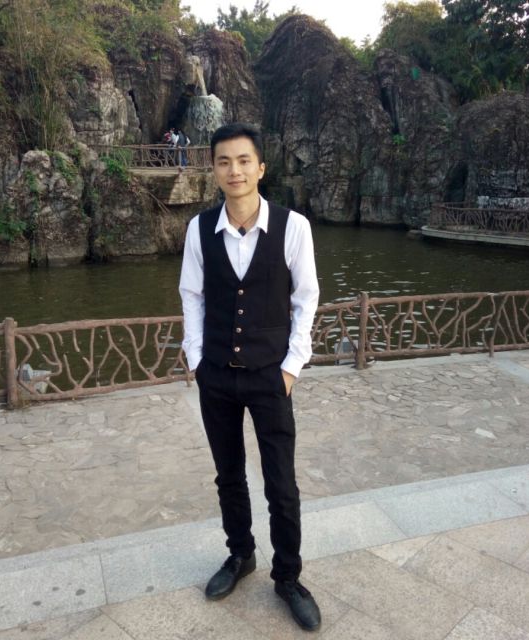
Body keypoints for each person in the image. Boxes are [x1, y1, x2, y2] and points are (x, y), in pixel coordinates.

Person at [179, 123, 321, 632]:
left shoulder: (293, 227)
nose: (234, 170)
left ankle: (289, 577)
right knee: (229, 475)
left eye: (243, 161)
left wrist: (291, 366)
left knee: (281, 482)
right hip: (216, 374)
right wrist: (196, 358)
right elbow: (192, 295)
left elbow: (306, 298)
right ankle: (240, 554)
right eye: (224, 161)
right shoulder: (199, 229)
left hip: (269, 376)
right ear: (214, 170)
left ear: (260, 167)